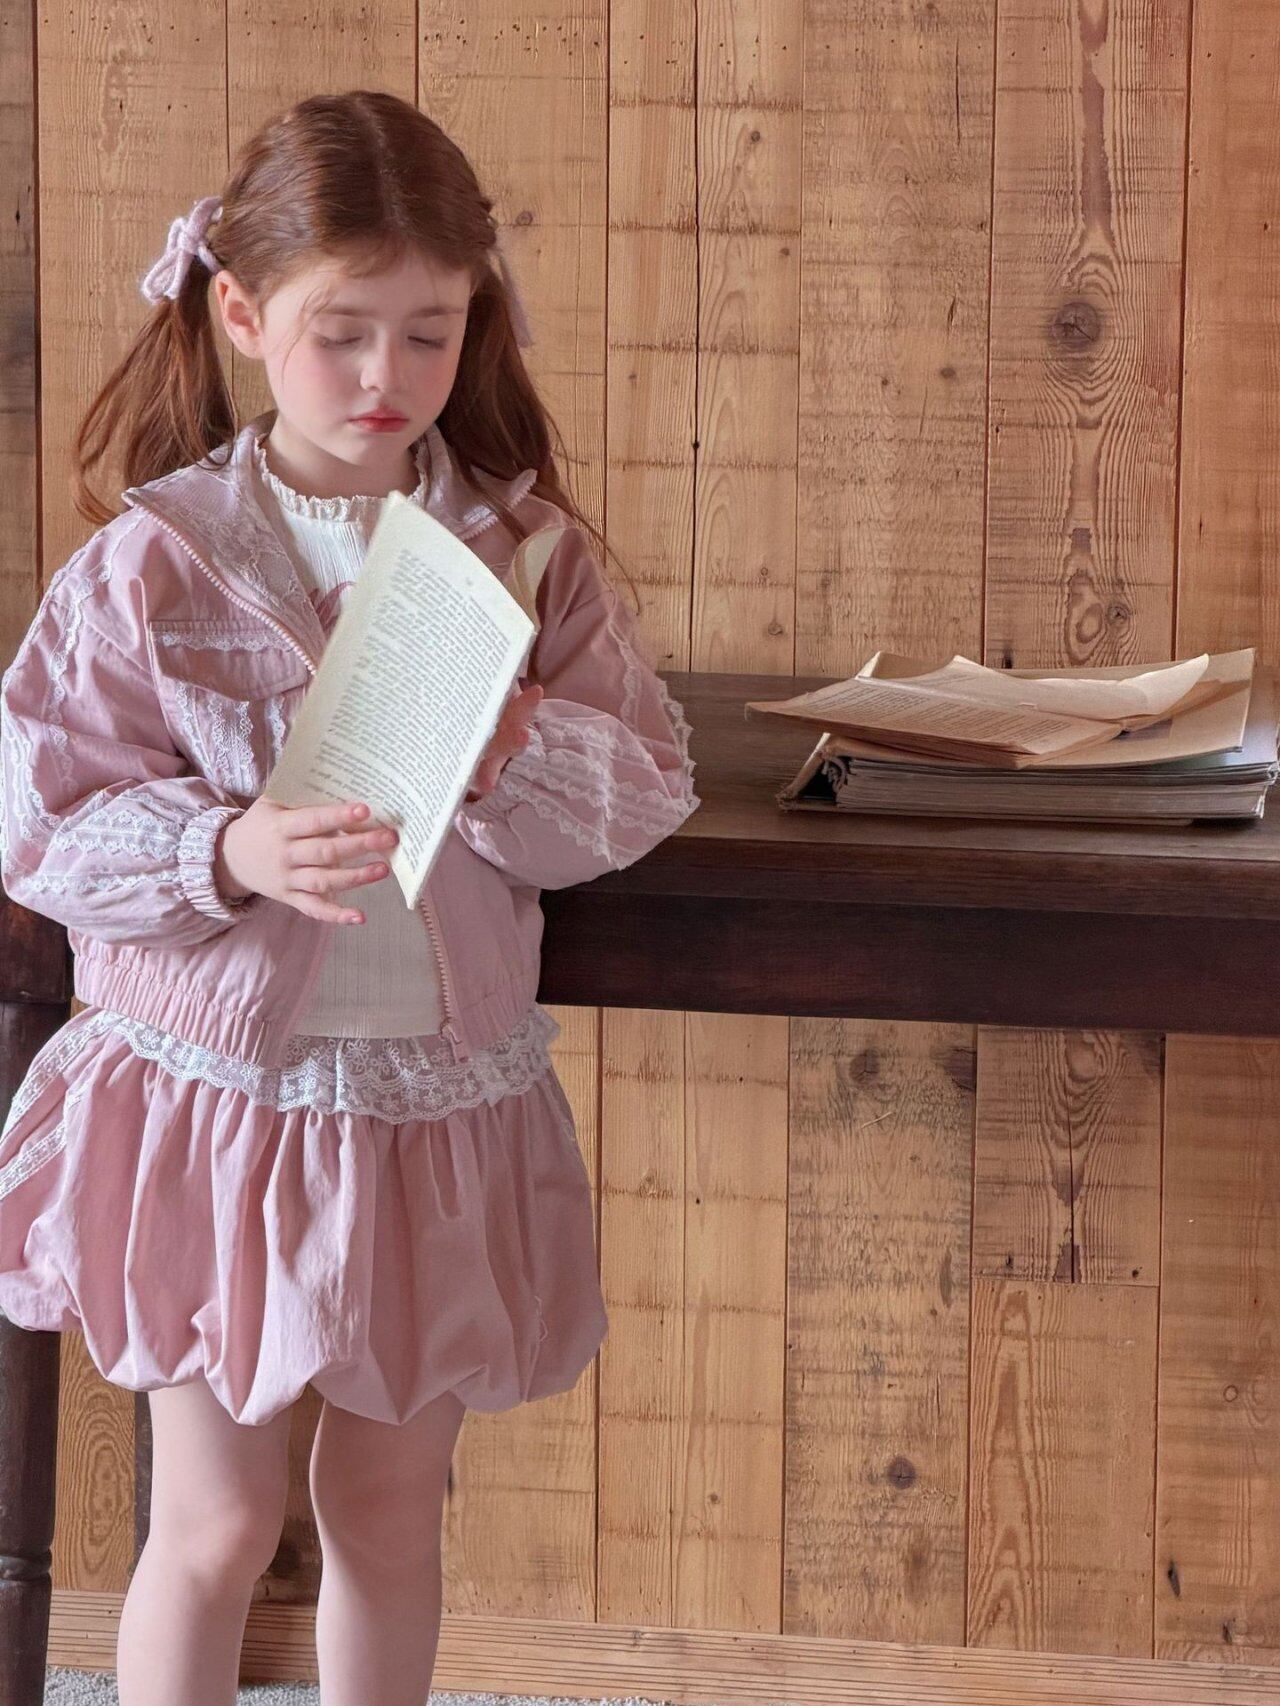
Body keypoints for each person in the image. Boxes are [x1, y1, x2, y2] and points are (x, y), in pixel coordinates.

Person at [0, 88, 699, 1706]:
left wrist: (512, 758)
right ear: (244, 317)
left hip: (424, 1110)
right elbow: (43, 815)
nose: (388, 374)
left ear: (475, 318)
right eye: (343, 334)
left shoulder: (522, 553)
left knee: (388, 1510)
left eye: (429, 333)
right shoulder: (159, 560)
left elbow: (641, 783)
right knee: (215, 1518)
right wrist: (223, 849)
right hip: (217, 1109)